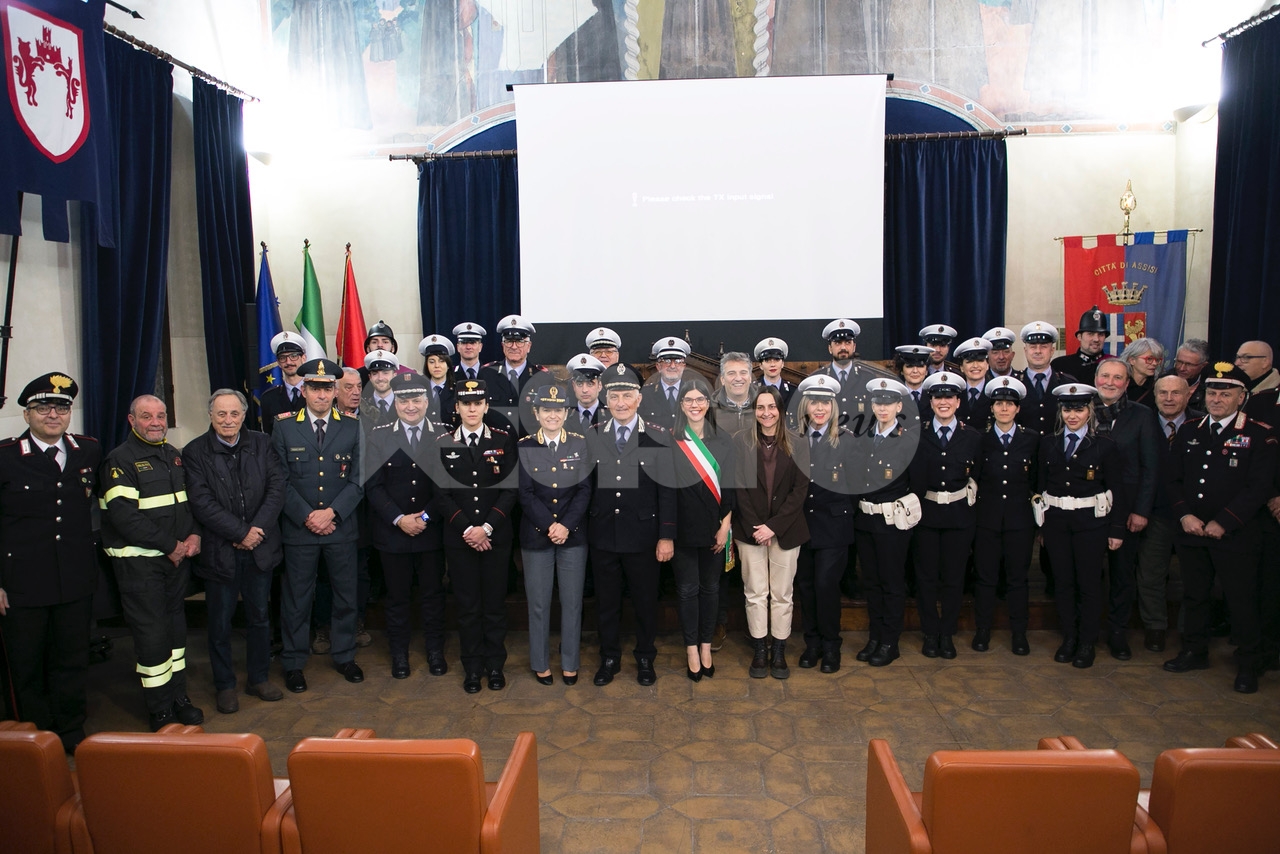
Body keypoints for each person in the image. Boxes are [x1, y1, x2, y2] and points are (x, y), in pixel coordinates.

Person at [0, 373, 100, 751]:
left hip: (74, 578)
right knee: (26, 664)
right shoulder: (6, 457)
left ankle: (71, 729)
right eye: (43, 408)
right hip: (23, 582)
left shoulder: (87, 450)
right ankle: (33, 736)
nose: (53, 415)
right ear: (27, 415)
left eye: (61, 408)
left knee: (72, 659)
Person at [1164, 363, 1277, 694]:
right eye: (1212, 393)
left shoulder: (1258, 434)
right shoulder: (1189, 430)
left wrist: (1223, 521)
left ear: (1241, 397)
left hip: (1236, 534)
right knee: (1195, 594)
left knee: (1241, 599)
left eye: (1225, 393)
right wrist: (1185, 515)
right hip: (1192, 531)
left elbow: (1258, 488)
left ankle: (1248, 663)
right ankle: (1194, 650)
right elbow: (1173, 480)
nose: (1216, 399)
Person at [101, 395, 203, 730]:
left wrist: (193, 535)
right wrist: (170, 545)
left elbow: (185, 505)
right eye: (147, 416)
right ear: (132, 421)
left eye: (161, 415)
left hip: (174, 563)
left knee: (175, 632)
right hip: (140, 566)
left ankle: (179, 697)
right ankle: (159, 708)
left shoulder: (172, 456)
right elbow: (124, 518)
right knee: (152, 635)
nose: (156, 422)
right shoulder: (120, 460)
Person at [183, 389, 286, 714]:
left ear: (244, 415)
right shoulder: (194, 452)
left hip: (260, 548)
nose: (228, 420)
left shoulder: (262, 443)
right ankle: (225, 685)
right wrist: (241, 532)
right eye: (221, 414)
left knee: (259, 618)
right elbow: (201, 502)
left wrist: (255, 531)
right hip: (219, 551)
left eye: (234, 414)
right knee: (220, 623)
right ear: (211, 416)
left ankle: (258, 678)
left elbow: (276, 488)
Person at [272, 358, 365, 693]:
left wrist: (332, 514)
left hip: (341, 527)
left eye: (328, 388)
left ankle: (344, 655)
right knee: (297, 598)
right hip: (300, 529)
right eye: (315, 388)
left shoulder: (353, 426)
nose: (322, 395)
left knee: (345, 595)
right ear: (304, 389)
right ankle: (294, 662)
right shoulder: (283, 426)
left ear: (335, 390)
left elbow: (358, 479)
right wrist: (308, 516)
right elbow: (279, 480)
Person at [585, 364, 676, 686]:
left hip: (643, 537)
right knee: (606, 605)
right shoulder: (593, 434)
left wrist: (666, 536)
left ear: (639, 398)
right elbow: (586, 487)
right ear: (605, 399)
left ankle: (645, 658)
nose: (620, 402)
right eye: (614, 396)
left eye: (627, 395)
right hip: (603, 535)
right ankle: (609, 657)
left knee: (645, 603)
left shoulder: (658, 435)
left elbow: (667, 491)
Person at [432, 379, 519, 693]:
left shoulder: (504, 440)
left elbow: (510, 490)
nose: (471, 408)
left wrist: (488, 528)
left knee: (494, 606)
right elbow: (441, 495)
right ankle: (472, 667)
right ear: (456, 407)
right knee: (468, 608)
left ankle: (495, 665)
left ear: (485, 406)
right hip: (460, 540)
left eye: (477, 403)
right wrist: (469, 530)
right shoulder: (442, 442)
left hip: (496, 537)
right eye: (465, 403)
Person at [1037, 383, 1126, 669]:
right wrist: (1041, 526)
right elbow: (1039, 486)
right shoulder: (1048, 443)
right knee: (1063, 582)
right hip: (1057, 523)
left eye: (1079, 409)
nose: (1072, 415)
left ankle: (1088, 641)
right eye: (1067, 409)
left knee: (1088, 584)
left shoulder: (1104, 445)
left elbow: (1117, 491)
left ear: (1089, 411)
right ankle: (1070, 637)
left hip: (1091, 523)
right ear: (1060, 412)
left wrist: (1116, 530)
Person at [517, 383, 591, 686]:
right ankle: (540, 662)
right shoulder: (524, 446)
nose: (552, 415)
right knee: (538, 603)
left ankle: (570, 662)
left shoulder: (579, 443)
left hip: (572, 536)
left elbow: (585, 490)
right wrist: (550, 525)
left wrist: (565, 526)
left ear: (566, 413)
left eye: (557, 410)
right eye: (546, 410)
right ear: (537, 413)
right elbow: (524, 493)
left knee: (572, 602)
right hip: (537, 535)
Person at [733, 386, 809, 679]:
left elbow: (799, 491)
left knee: (782, 594)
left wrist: (773, 527)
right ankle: (760, 649)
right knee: (755, 593)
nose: (766, 413)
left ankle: (778, 649)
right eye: (760, 407)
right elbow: (739, 488)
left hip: (786, 531)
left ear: (780, 410)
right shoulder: (741, 442)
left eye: (771, 407)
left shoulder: (798, 444)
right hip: (750, 530)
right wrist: (757, 528)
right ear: (754, 411)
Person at [910, 372, 982, 660]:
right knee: (926, 578)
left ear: (958, 401)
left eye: (949, 397)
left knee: (954, 578)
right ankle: (930, 632)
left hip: (958, 516)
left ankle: (947, 633)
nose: (943, 402)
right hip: (926, 515)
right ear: (930, 401)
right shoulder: (917, 434)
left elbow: (976, 478)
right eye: (938, 397)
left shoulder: (973, 437)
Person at [1093, 358, 1160, 660]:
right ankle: (1089, 630)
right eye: (1105, 375)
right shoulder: (1080, 408)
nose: (1110, 382)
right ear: (1095, 379)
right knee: (1090, 574)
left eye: (1117, 377)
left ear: (1127, 382)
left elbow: (1150, 467)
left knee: (1122, 575)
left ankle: (1118, 632)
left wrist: (1141, 510)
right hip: (1087, 509)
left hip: (1127, 509)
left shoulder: (1143, 416)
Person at [669, 378, 734, 681]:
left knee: (711, 590)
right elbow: (666, 492)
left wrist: (725, 526)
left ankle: (706, 645)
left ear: (708, 404)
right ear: (681, 405)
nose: (695, 405)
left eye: (700, 400)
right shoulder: (671, 440)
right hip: (683, 530)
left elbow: (732, 489)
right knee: (686, 591)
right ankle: (691, 648)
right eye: (688, 400)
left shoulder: (723, 440)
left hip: (715, 529)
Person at [852, 378, 920, 667]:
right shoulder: (863, 436)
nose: (882, 407)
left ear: (899, 406)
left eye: (888, 402)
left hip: (893, 523)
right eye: (878, 402)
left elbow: (918, 483)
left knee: (892, 583)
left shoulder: (908, 439)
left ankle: (890, 642)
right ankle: (875, 636)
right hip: (866, 520)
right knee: (873, 583)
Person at [1135, 374, 1202, 652]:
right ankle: (1155, 627)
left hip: (1195, 514)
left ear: (1189, 395)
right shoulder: (1143, 420)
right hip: (1157, 511)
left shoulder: (1202, 423)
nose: (1169, 398)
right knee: (1150, 573)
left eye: (1176, 393)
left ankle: (1190, 630)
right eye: (1163, 393)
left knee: (1195, 577)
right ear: (1155, 395)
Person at [794, 375, 855, 673]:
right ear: (806, 405)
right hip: (801, 525)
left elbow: (856, 485)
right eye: (814, 402)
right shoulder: (793, 438)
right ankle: (812, 643)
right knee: (805, 586)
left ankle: (831, 646)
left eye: (825, 402)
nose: (820, 408)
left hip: (833, 527)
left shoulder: (847, 439)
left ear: (833, 406)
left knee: (826, 585)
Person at [973, 376, 1036, 656]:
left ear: (1018, 409)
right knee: (985, 579)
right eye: (999, 403)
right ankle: (982, 631)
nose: (1004, 409)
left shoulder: (1032, 440)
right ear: (992, 408)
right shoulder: (980, 440)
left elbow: (1037, 481)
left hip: (1020, 522)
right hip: (986, 521)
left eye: (1010, 404)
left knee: (1017, 579)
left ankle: (1019, 634)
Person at [259, 331, 308, 433]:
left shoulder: (316, 393)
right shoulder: (269, 397)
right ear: (278, 363)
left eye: (293, 356)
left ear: (303, 358)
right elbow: (268, 435)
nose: (288, 362)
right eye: (283, 358)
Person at [1051, 305, 1112, 385]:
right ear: (1079, 336)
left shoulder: (1115, 364)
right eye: (1090, 334)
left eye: (1101, 334)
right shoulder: (1060, 364)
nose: (1096, 339)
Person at [642, 337, 693, 427]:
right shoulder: (645, 394)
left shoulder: (693, 393)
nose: (672, 366)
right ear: (658, 366)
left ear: (684, 366)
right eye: (667, 361)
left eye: (677, 361)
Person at [954, 337, 993, 430]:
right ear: (961, 367)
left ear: (987, 365)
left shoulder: (994, 392)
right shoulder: (955, 393)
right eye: (969, 361)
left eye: (980, 360)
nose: (975, 366)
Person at [712, 351, 755, 435]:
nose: (738, 378)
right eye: (731, 373)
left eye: (743, 373)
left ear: (750, 378)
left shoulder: (764, 406)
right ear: (722, 380)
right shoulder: (709, 409)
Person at [418, 334, 456, 426]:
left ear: (448, 365)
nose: (436, 365)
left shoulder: (457, 389)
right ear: (426, 365)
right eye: (432, 361)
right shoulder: (418, 389)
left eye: (441, 361)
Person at [753, 337, 795, 409]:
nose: (772, 364)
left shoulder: (794, 391)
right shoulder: (752, 390)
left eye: (777, 359)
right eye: (767, 360)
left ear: (782, 364)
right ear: (761, 365)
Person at [361, 349, 401, 425]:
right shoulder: (362, 406)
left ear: (394, 376)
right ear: (370, 377)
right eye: (375, 374)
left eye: (385, 373)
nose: (380, 378)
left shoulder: (404, 404)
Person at [568, 353, 607, 429]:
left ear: (599, 385)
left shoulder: (610, 415)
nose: (584, 390)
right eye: (579, 384)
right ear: (573, 386)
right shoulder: (564, 416)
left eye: (590, 384)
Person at [1122, 337, 1165, 406]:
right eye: (1149, 359)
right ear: (1132, 360)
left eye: (1157, 360)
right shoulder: (1119, 383)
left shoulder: (1159, 385)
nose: (1155, 363)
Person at [894, 344, 932, 419]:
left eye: (920, 366)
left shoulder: (933, 394)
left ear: (927, 370)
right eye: (909, 366)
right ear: (901, 370)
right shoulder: (894, 395)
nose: (915, 371)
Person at [358, 320, 400, 386]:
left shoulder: (404, 374)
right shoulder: (358, 376)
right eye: (374, 342)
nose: (380, 345)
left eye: (385, 342)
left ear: (393, 348)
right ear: (367, 348)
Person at [1172, 338, 1209, 412]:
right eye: (1179, 362)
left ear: (1203, 365)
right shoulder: (1162, 380)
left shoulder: (1209, 387)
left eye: (1189, 364)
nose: (1182, 368)